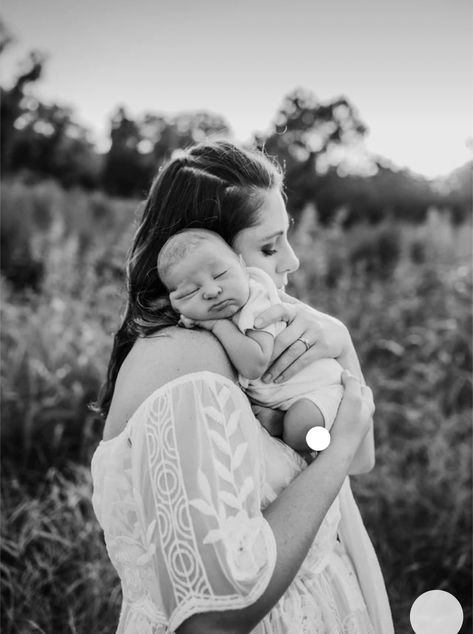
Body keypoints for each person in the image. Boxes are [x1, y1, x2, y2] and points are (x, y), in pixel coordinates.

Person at [91, 140, 394, 633]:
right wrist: (336, 445)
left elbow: (362, 462)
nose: (291, 261)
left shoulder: (248, 345)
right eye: (270, 246)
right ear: (212, 258)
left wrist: (344, 350)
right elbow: (210, 618)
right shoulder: (187, 361)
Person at [156, 227, 344, 449]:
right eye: (191, 292)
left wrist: (217, 325)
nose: (212, 290)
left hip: (320, 389)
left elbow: (255, 364)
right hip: (283, 396)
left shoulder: (257, 300)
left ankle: (299, 435)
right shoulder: (194, 325)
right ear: (176, 302)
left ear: (242, 266)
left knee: (301, 426)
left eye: (220, 275)